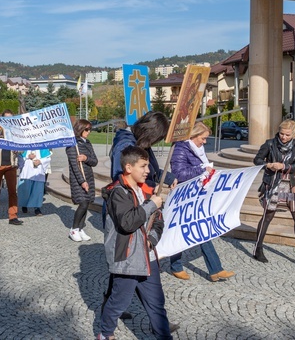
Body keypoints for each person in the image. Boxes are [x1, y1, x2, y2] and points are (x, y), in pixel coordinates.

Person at [99, 146, 171, 340]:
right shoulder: (118, 193)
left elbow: (158, 221)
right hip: (127, 258)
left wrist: (152, 240)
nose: (148, 170)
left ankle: (164, 336)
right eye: (143, 166)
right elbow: (127, 222)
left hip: (147, 257)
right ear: (128, 167)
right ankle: (105, 333)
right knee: (118, 302)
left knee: (156, 304)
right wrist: (151, 205)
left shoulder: (146, 191)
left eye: (148, 165)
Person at [168, 122, 235, 282]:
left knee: (200, 230)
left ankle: (215, 270)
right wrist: (202, 170)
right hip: (183, 197)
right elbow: (178, 173)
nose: (205, 142)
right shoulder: (181, 148)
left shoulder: (196, 148)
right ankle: (176, 266)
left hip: (196, 196)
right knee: (182, 231)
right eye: (203, 138)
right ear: (193, 135)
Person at [252, 119, 295, 268]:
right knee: (268, 216)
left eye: (287, 135)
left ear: (293, 134)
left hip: (290, 184)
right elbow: (257, 160)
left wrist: (284, 166)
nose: (283, 137)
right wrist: (268, 165)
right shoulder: (270, 144)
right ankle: (258, 248)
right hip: (273, 183)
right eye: (281, 134)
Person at [110, 111, 175, 188]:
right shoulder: (126, 146)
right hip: (133, 198)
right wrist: (150, 191)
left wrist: (170, 179)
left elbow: (153, 171)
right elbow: (123, 183)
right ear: (150, 134)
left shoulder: (141, 143)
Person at [0, 109, 22, 225]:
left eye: (10, 118)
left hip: (11, 164)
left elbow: (21, 147)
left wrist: (18, 149)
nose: (8, 120)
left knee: (12, 191)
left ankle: (13, 216)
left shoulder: (15, 131)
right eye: (6, 118)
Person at [65, 119, 97, 242]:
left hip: (89, 176)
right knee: (83, 203)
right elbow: (74, 166)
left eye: (90, 129)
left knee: (87, 203)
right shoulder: (72, 144)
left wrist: (86, 158)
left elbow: (94, 161)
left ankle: (80, 228)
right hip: (78, 179)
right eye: (86, 129)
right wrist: (82, 181)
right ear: (80, 129)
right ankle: (74, 228)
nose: (88, 132)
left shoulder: (87, 143)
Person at [17, 149, 51, 216]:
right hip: (27, 170)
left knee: (37, 190)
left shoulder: (42, 145)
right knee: (25, 189)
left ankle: (37, 208)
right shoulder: (25, 144)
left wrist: (40, 161)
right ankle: (24, 205)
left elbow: (48, 158)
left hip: (38, 171)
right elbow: (19, 155)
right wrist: (27, 156)